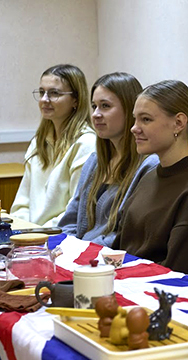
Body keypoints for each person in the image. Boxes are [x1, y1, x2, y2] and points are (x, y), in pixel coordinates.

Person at [114, 80, 188, 279]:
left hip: (160, 292)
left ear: (179, 123)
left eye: (146, 119)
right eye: (135, 119)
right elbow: (119, 250)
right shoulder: (148, 178)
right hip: (125, 283)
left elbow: (177, 272)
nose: (134, 128)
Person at [59, 73, 159, 246]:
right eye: (94, 106)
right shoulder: (94, 161)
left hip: (110, 257)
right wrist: (67, 248)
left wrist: (81, 250)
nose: (96, 114)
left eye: (105, 106)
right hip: (79, 252)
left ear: (130, 110)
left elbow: (126, 236)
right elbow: (69, 221)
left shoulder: (149, 166)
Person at [11, 64, 96, 227]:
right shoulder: (39, 142)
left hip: (59, 235)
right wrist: (21, 230)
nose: (44, 100)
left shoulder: (86, 143)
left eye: (54, 93)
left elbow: (75, 212)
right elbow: (22, 204)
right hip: (30, 234)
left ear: (76, 100)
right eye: (41, 92)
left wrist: (36, 234)